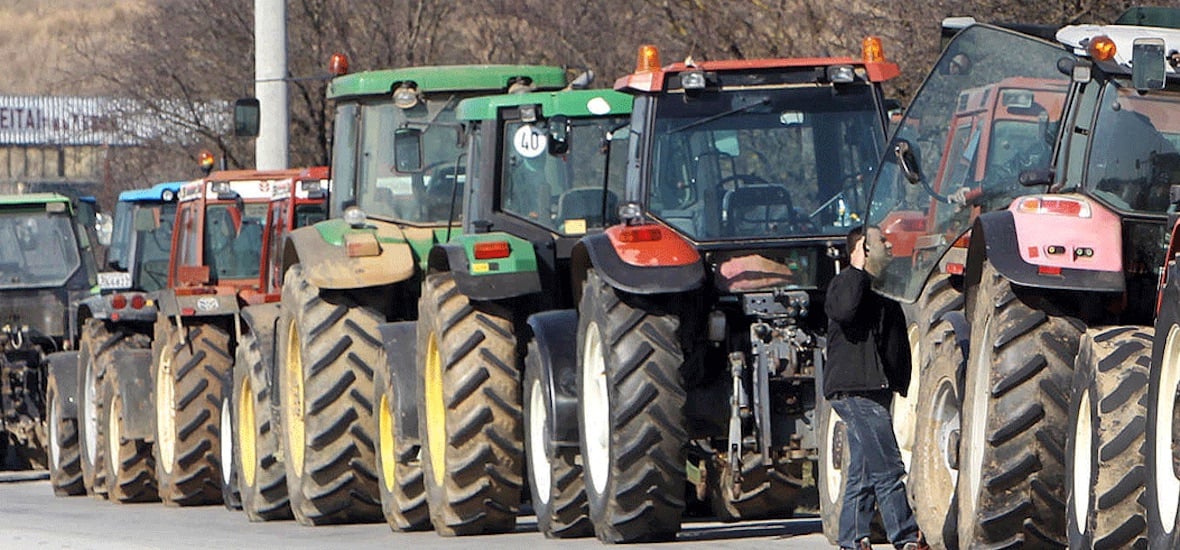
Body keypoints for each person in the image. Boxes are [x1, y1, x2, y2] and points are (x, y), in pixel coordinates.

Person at [823, 224, 926, 550]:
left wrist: (901, 382)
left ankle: (852, 538)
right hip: (855, 390)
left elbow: (893, 340)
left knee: (863, 471)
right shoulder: (845, 285)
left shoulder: (882, 289)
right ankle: (906, 538)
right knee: (889, 466)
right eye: (881, 241)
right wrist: (856, 268)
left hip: (876, 389)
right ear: (862, 250)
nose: (889, 245)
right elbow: (846, 312)